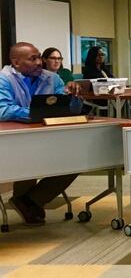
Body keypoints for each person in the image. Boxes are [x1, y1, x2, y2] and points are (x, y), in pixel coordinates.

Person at [0, 42, 81, 226]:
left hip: (49, 136)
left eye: (38, 57)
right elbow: (3, 110)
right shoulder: (4, 79)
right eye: (32, 58)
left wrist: (73, 97)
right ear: (16, 62)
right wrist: (37, 113)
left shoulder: (52, 79)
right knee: (28, 158)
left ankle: (30, 201)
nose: (39, 62)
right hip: (15, 140)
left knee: (77, 158)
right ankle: (28, 203)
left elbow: (69, 110)